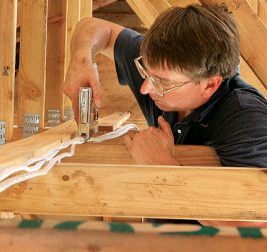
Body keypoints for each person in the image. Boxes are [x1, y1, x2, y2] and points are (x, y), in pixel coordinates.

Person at [63, 4, 267, 168]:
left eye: (163, 82)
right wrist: (81, 59)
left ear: (209, 85)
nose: (145, 88)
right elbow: (93, 28)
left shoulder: (247, 120)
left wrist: (162, 166)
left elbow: (253, 217)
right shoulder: (161, 64)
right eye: (145, 71)